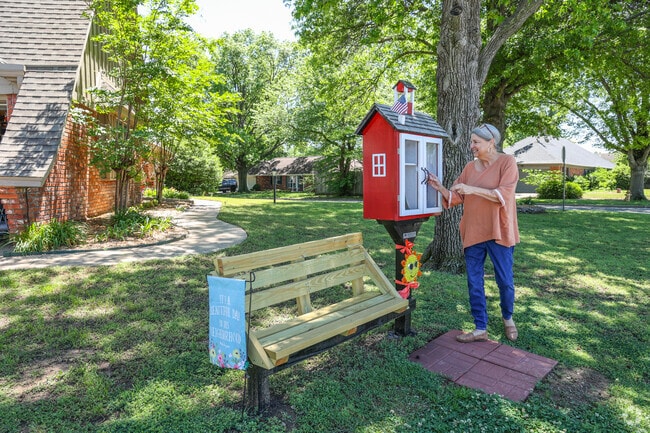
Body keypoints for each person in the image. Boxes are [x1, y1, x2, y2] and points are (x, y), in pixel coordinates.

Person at [427, 123, 520, 343]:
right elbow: (457, 196)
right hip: (473, 231)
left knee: (505, 281)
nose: (471, 146)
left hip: (499, 231)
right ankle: (480, 327)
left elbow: (503, 195)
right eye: (471, 142)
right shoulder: (469, 168)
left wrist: (472, 190)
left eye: (476, 142)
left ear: (491, 143)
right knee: (474, 281)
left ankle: (508, 318)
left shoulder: (508, 163)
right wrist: (440, 187)